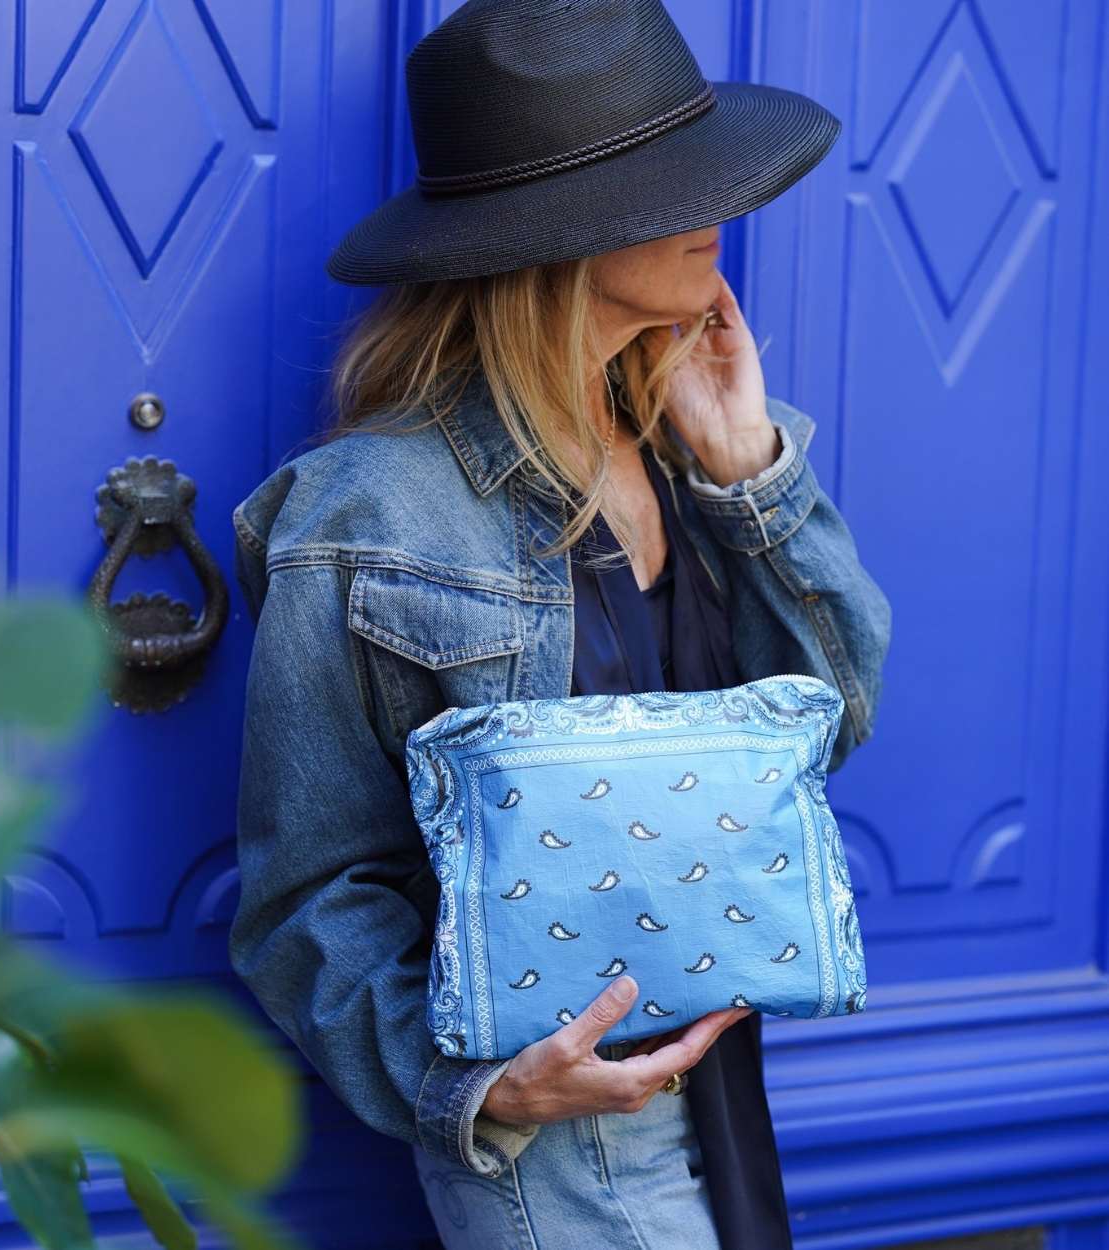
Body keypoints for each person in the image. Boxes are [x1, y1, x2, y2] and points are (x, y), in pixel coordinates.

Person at [228, 2, 892, 1247]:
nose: (718, 208)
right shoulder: (367, 516)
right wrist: (474, 1087)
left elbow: (830, 719)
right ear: (552, 234)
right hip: (563, 1149)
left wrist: (749, 477)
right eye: (664, 181)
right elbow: (308, 889)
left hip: (731, 1106)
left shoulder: (694, 450)